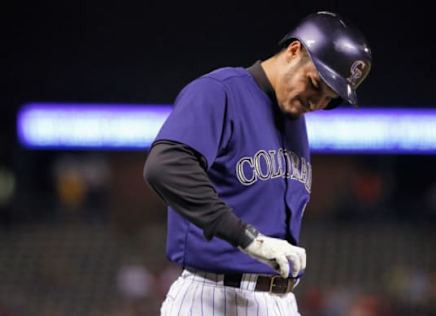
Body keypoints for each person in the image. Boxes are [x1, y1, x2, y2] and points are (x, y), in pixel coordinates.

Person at [144, 11, 372, 315]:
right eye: (315, 85)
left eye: (329, 99)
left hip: (279, 300)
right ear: (294, 51)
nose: (317, 103)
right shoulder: (221, 91)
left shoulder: (294, 118)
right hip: (212, 297)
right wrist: (247, 238)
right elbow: (165, 166)